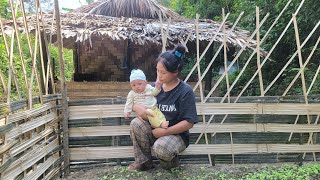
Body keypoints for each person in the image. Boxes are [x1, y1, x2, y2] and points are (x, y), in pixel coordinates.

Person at [128, 44, 198, 171]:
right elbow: (135, 98)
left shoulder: (185, 91)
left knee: (162, 148)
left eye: (163, 72)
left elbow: (189, 123)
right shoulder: (153, 88)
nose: (159, 76)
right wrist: (135, 107)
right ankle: (144, 163)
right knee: (136, 123)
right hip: (154, 129)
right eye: (157, 71)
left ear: (175, 72)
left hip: (176, 134)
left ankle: (171, 165)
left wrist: (165, 131)